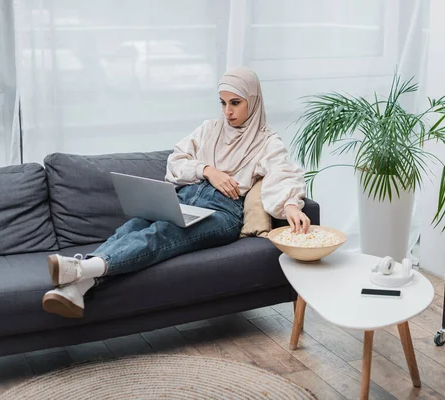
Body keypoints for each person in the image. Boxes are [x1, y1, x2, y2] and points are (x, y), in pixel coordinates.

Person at [42, 67, 310, 318]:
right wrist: (207, 170)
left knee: (163, 233)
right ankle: (78, 288)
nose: (227, 111)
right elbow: (175, 162)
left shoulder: (267, 141)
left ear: (253, 100)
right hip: (186, 198)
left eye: (235, 103)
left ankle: (81, 270)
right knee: (135, 225)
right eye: (223, 102)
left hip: (224, 212)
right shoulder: (209, 130)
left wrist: (290, 206)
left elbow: (282, 173)